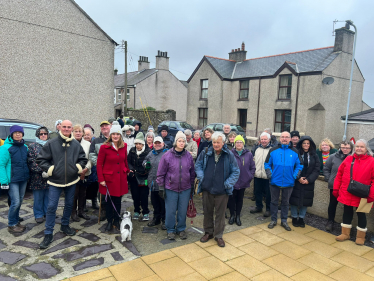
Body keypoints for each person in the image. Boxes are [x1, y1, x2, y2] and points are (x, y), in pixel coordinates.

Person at [37, 120, 87, 249]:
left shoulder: (76, 144)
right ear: (60, 127)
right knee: (51, 207)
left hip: (71, 180)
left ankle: (65, 225)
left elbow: (83, 158)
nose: (66, 129)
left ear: (71, 129)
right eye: (64, 127)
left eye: (68, 127)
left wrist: (77, 167)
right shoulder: (51, 143)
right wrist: (50, 169)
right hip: (55, 181)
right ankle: (48, 233)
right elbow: (41, 159)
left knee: (69, 204)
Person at [195, 132, 240, 247]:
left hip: (222, 191)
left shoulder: (229, 155)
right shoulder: (205, 152)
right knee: (207, 213)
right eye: (214, 142)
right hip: (207, 189)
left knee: (220, 215)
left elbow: (236, 171)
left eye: (218, 142)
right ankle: (208, 233)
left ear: (223, 143)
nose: (216, 144)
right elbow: (198, 165)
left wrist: (227, 184)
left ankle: (218, 235)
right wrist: (202, 177)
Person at [333, 139, 374, 245]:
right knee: (347, 212)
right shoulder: (348, 159)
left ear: (366, 149)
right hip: (347, 191)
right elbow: (339, 174)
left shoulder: (372, 161)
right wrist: (336, 188)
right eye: (357, 146)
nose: (359, 149)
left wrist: (371, 195)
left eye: (362, 147)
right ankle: (345, 234)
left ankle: (360, 236)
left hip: (364, 194)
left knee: (361, 214)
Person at [157, 131, 195, 240]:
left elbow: (192, 172)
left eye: (183, 141)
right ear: (176, 142)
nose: (181, 143)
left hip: (185, 188)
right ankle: (170, 230)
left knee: (182, 210)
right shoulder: (167, 155)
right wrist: (161, 187)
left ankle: (181, 229)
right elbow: (160, 173)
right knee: (170, 210)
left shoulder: (188, 156)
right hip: (171, 188)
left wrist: (191, 185)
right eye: (179, 141)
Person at [264, 131, 303, 231]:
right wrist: (270, 175)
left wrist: (295, 176)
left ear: (290, 139)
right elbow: (267, 164)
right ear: (280, 139)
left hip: (289, 182)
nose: (284, 139)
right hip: (274, 181)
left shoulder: (295, 151)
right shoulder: (273, 150)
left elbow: (300, 165)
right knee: (274, 202)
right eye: (282, 137)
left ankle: (284, 221)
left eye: (286, 137)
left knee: (285, 202)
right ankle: (273, 220)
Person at [97, 122, 129, 233]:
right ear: (110, 135)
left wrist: (127, 171)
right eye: (113, 134)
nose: (115, 136)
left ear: (120, 135)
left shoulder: (124, 146)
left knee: (118, 201)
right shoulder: (104, 147)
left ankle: (116, 220)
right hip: (108, 180)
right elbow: (99, 164)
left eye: (118, 134)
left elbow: (125, 161)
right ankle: (110, 221)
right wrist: (101, 179)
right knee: (109, 202)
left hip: (120, 179)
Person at [0, 125, 30, 233]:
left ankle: (16, 220)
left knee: (20, 200)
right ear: (11, 134)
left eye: (20, 132)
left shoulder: (25, 147)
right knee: (15, 202)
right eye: (15, 132)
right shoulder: (5, 147)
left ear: (22, 134)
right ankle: (11, 224)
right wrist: (3, 181)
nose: (18, 134)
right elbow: (1, 165)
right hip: (12, 180)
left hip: (23, 178)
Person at [289, 136, 320, 228]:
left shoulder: (314, 155)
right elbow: (292, 166)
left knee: (305, 200)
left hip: (308, 182)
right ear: (301, 144)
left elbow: (316, 169)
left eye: (308, 143)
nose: (306, 145)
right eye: (304, 143)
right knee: (294, 199)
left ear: (310, 145)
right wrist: (298, 178)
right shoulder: (296, 153)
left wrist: (309, 180)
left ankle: (301, 218)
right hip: (296, 180)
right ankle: (294, 217)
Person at [323, 141, 353, 232]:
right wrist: (329, 179)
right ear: (340, 147)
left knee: (348, 207)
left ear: (351, 148)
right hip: (334, 186)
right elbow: (326, 169)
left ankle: (346, 225)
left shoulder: (353, 158)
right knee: (332, 204)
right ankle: (330, 221)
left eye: (347, 148)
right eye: (343, 147)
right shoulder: (333, 157)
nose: (345, 149)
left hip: (348, 187)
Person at [228, 135, 255, 226]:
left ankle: (238, 216)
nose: (239, 144)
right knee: (231, 199)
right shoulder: (230, 154)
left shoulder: (249, 154)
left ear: (243, 144)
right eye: (237, 142)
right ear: (234, 144)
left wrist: (249, 176)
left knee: (240, 199)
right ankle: (232, 215)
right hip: (232, 181)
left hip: (243, 181)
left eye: (240, 142)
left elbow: (252, 167)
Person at [143, 136, 168, 229]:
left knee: (163, 202)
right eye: (156, 143)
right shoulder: (151, 153)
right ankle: (156, 218)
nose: (157, 145)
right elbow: (145, 160)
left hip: (163, 183)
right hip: (152, 182)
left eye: (159, 143)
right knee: (154, 202)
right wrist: (146, 164)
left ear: (163, 144)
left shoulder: (167, 153)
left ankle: (164, 220)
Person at [89, 120, 112, 220]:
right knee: (102, 191)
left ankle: (113, 210)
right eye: (102, 126)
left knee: (114, 190)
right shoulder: (96, 141)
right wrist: (100, 164)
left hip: (114, 171)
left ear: (110, 126)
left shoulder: (116, 138)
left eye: (106, 125)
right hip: (102, 171)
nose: (104, 127)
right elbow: (91, 154)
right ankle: (103, 210)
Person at [27, 126, 50, 223]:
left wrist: (50, 170)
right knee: (38, 197)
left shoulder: (50, 145)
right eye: (41, 134)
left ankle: (47, 213)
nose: (43, 135)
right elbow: (31, 161)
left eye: (45, 134)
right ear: (38, 135)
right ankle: (38, 214)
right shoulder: (32, 146)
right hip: (37, 177)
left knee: (48, 197)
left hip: (50, 176)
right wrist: (42, 171)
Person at [127, 133, 151, 221]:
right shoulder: (132, 151)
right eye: (136, 144)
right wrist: (131, 169)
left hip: (144, 177)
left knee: (144, 196)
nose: (138, 146)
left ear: (143, 144)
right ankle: (136, 211)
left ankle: (145, 212)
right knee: (135, 195)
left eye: (139, 144)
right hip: (133, 177)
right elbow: (128, 161)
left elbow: (150, 164)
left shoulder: (148, 151)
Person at [71, 124, 92, 222]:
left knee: (83, 193)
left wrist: (86, 169)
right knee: (74, 193)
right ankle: (73, 212)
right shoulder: (69, 143)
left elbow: (90, 159)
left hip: (85, 172)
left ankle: (81, 211)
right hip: (73, 173)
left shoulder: (88, 144)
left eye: (80, 131)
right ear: (72, 132)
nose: (78, 133)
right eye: (76, 131)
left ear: (83, 133)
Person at [251, 132, 272, 217]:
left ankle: (268, 209)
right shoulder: (257, 149)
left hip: (267, 176)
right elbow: (254, 160)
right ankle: (259, 206)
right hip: (257, 175)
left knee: (268, 194)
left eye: (265, 139)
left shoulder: (272, 150)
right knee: (257, 192)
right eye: (262, 139)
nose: (263, 141)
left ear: (269, 140)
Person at [83, 127, 99, 210]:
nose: (86, 136)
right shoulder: (81, 144)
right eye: (85, 135)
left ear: (91, 135)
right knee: (85, 187)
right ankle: (83, 204)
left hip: (94, 168)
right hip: (84, 168)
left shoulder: (94, 142)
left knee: (94, 186)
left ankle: (94, 202)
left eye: (88, 135)